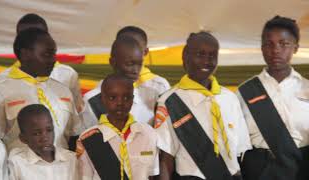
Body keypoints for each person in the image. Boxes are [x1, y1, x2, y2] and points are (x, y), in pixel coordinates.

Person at [155, 31, 251, 180]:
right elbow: (166, 158)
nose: (207, 61)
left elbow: (240, 152)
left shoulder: (229, 98)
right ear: (185, 57)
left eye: (212, 55)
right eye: (200, 54)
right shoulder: (170, 101)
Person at [237, 15, 309, 180]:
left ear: (295, 48)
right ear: (262, 48)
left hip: (301, 169)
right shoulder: (244, 92)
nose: (276, 50)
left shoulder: (307, 88)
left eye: (283, 44)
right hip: (259, 170)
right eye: (269, 44)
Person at [0, 28, 83, 151]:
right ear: (25, 54)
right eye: (47, 54)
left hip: (64, 167)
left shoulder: (63, 91)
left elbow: (74, 136)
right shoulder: (1, 92)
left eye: (54, 54)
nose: (53, 60)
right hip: (19, 169)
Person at [0, 13, 84, 113]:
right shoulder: (1, 80)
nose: (32, 38)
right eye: (25, 35)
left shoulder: (68, 75)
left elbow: (78, 113)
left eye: (39, 34)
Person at [77, 74, 159, 180]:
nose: (120, 103)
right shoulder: (88, 139)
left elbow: (151, 174)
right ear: (102, 99)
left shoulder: (148, 134)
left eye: (126, 97)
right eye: (112, 97)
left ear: (132, 100)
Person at [83, 35, 163, 127]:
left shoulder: (149, 97)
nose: (136, 70)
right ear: (112, 62)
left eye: (139, 64)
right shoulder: (92, 100)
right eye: (129, 64)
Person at [8, 104, 79, 180]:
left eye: (49, 130)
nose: (45, 138)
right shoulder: (17, 164)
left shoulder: (72, 160)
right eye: (37, 133)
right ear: (23, 139)